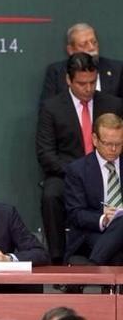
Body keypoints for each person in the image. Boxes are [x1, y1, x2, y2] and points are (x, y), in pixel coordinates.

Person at [36, 52, 123, 264]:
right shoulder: (52, 107)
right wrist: (84, 172)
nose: (88, 88)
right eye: (82, 84)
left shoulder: (113, 104)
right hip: (66, 171)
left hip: (110, 166)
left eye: (93, 82)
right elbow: (46, 154)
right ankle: (57, 259)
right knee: (51, 195)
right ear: (69, 80)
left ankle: (91, 262)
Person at [65, 113, 123, 265]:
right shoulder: (78, 170)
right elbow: (75, 214)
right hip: (93, 232)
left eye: (118, 144)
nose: (113, 149)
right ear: (95, 139)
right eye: (108, 143)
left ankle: (94, 265)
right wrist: (104, 219)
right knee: (117, 255)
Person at [40, 22, 123, 103]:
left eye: (94, 42)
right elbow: (47, 108)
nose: (91, 47)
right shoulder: (56, 72)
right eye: (84, 44)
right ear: (70, 50)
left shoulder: (118, 69)